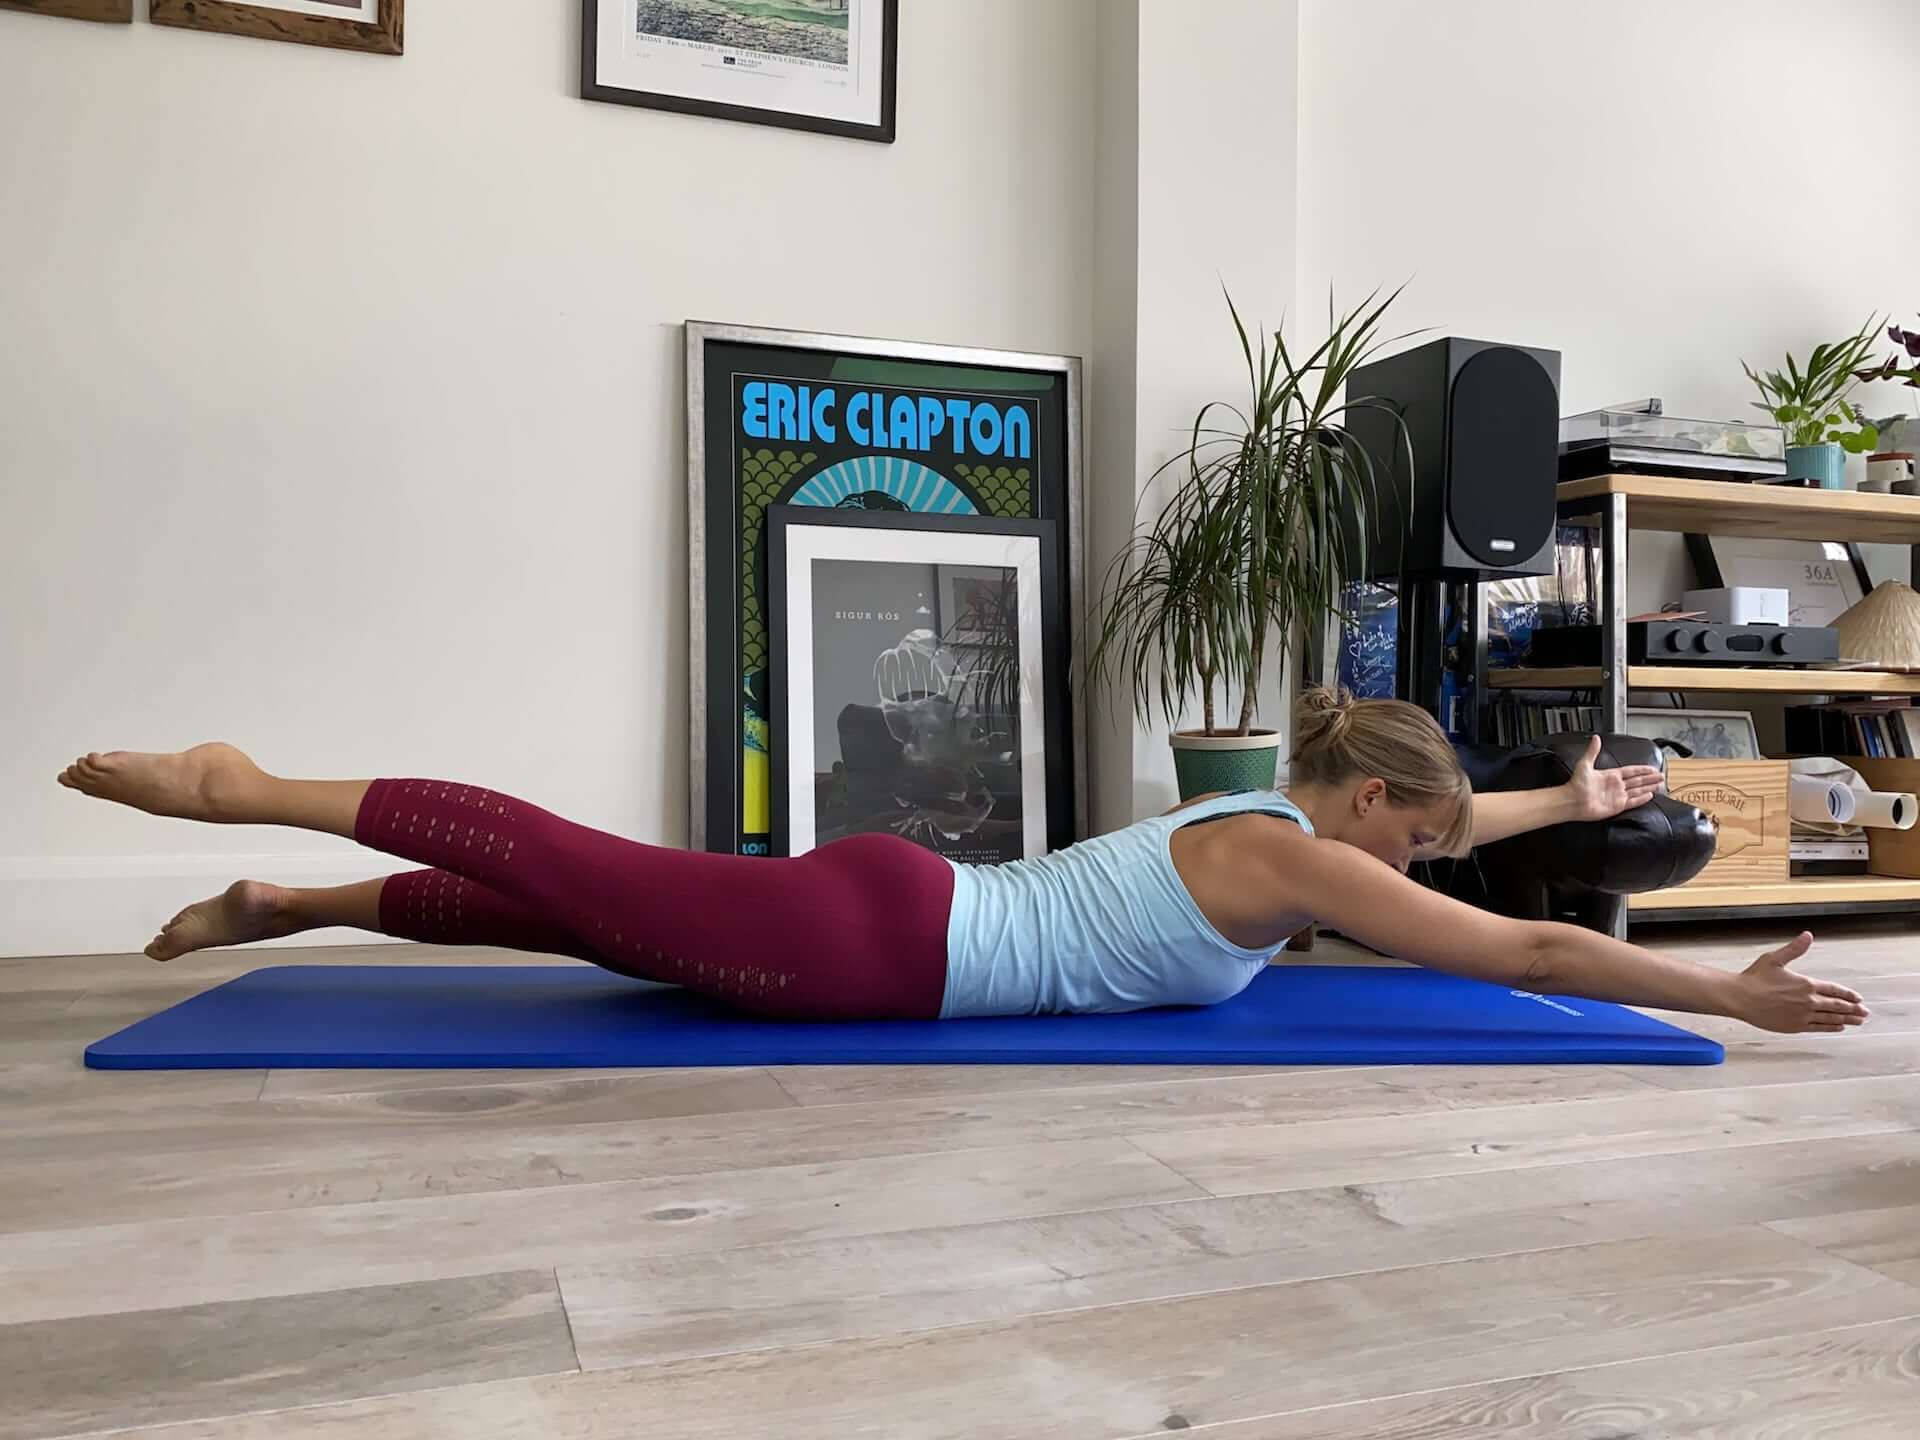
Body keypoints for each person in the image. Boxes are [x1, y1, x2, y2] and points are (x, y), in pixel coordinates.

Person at [55, 688, 1868, 1035]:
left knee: (573, 912)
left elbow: (1487, 839)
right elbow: (1539, 960)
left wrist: (1582, 794)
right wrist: (1721, 995)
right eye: (1430, 832)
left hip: (899, 909)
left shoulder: (1273, 809)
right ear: (1373, 814)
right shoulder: (1302, 867)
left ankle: (276, 904)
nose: (1437, 858)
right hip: (874, 950)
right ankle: (246, 785)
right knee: (571, 861)